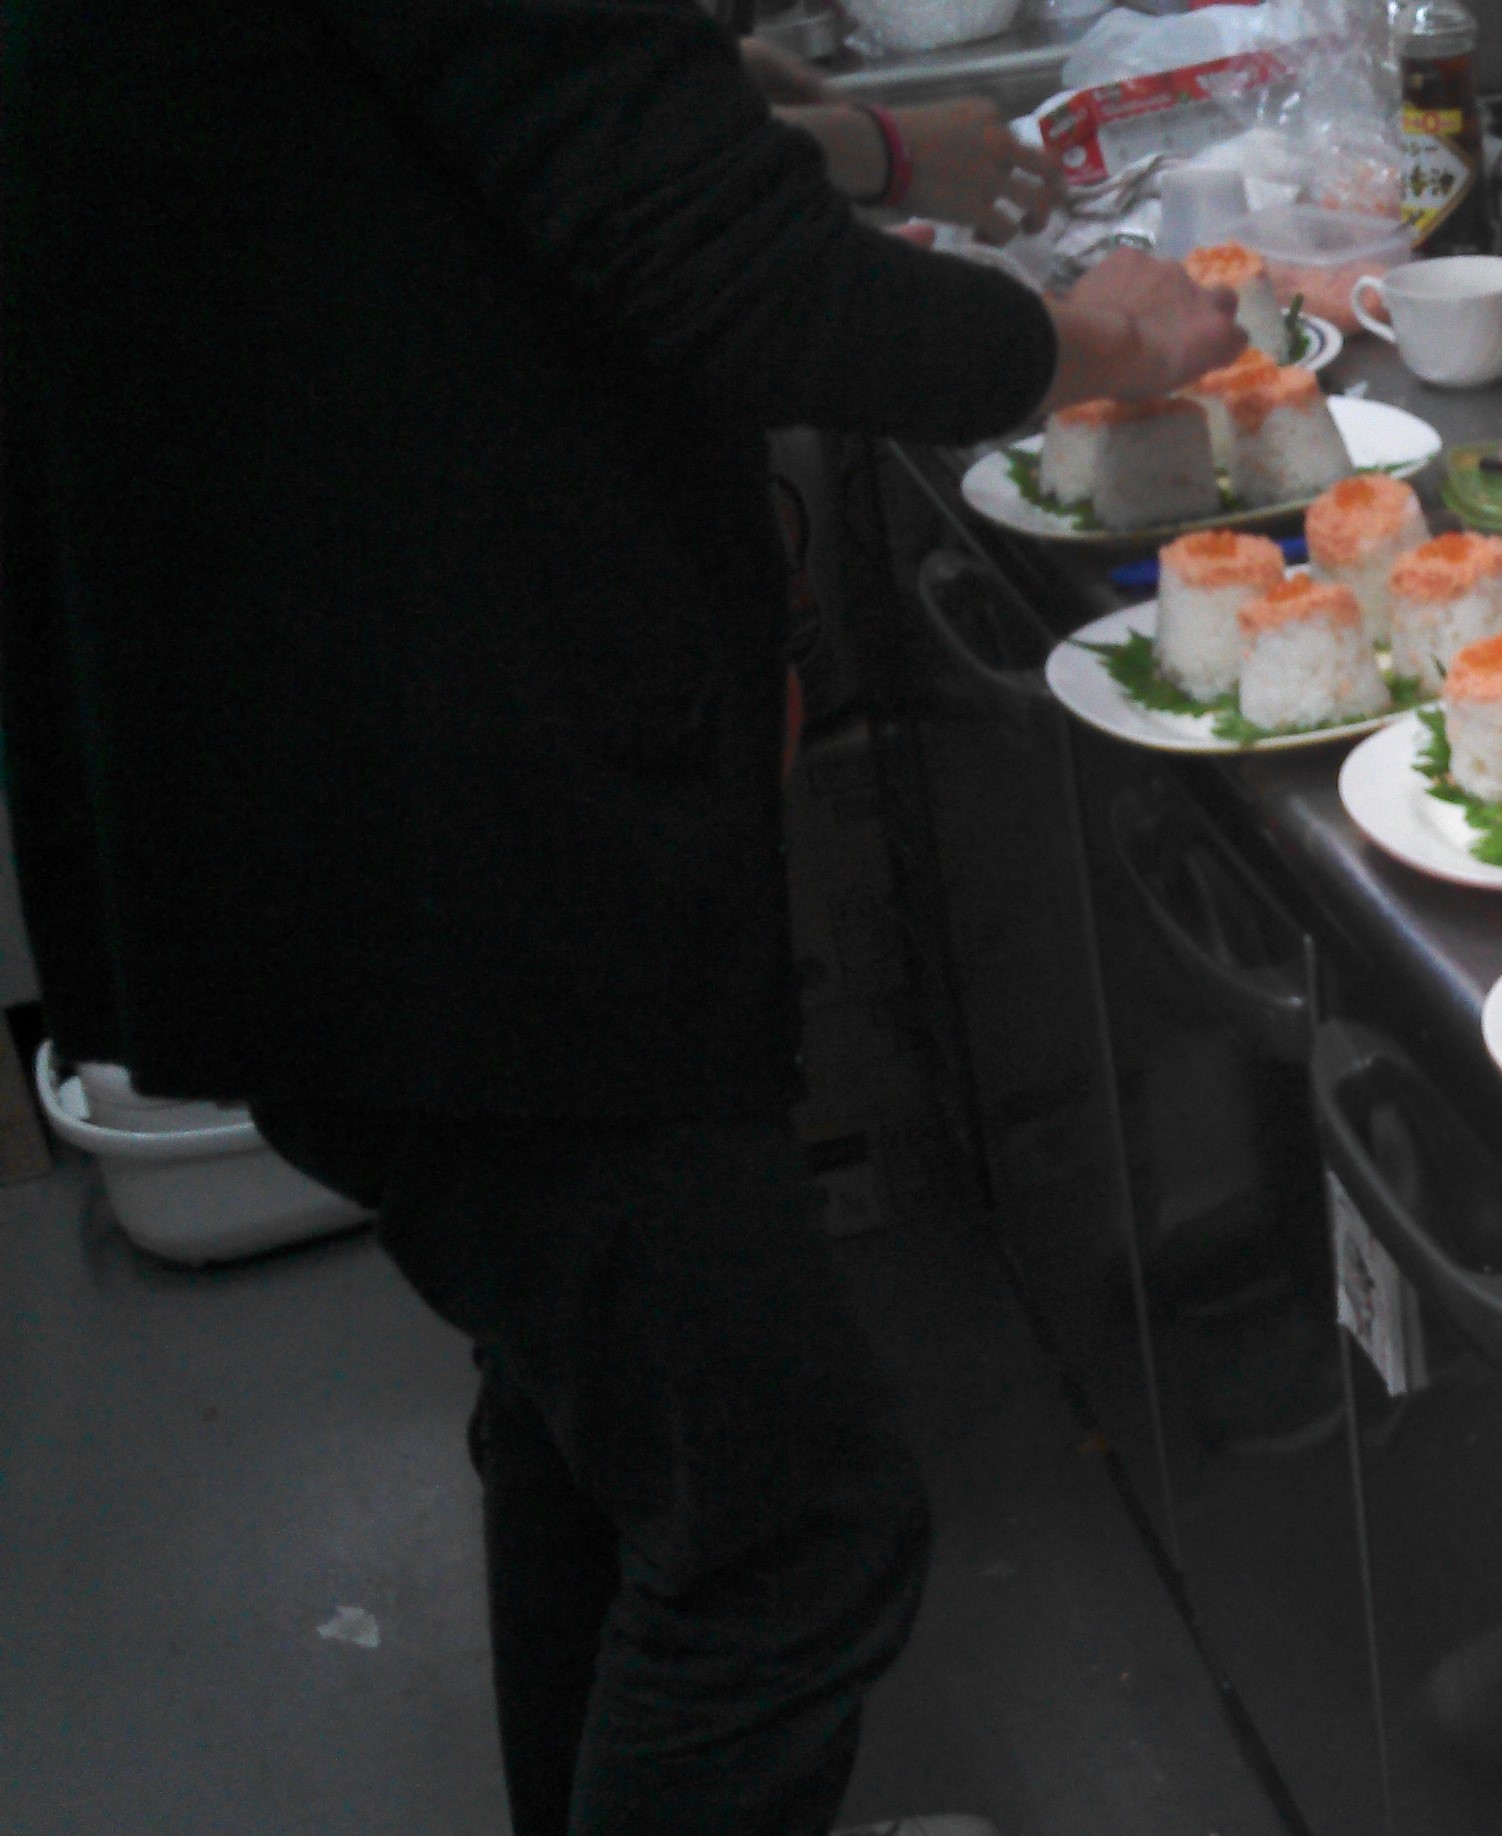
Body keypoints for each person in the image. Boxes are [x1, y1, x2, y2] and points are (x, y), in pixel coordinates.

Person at [0, 3, 1244, 1833]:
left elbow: (502, 118)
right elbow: (741, 279)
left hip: (324, 785)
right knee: (790, 1535)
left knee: (595, 1431)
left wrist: (833, 138)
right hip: (445, 838)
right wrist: (1096, 340)